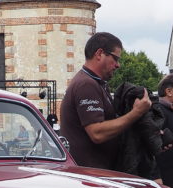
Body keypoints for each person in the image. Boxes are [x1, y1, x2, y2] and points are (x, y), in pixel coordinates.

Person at [59, 32, 151, 170]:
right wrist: (136, 113)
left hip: (95, 173)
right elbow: (97, 133)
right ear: (99, 53)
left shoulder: (97, 84)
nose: (118, 65)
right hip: (89, 176)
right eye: (115, 58)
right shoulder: (86, 85)